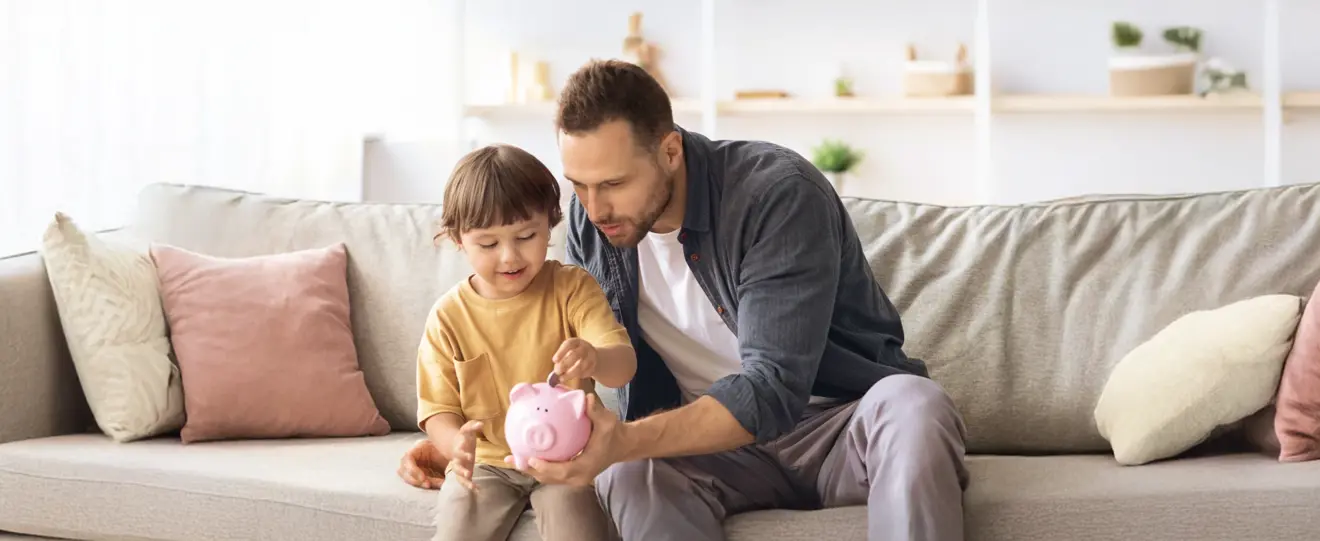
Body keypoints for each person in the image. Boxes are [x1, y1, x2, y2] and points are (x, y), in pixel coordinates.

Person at [400, 59, 970, 541]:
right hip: (717, 449)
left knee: (913, 406)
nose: (594, 210)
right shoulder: (590, 222)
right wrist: (471, 441)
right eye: (579, 185)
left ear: (670, 150)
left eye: (614, 184)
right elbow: (559, 350)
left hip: (839, 427)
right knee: (630, 475)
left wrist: (624, 439)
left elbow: (771, 390)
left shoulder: (775, 195)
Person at [412, 143, 636, 541]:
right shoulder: (448, 316)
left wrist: (594, 359)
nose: (509, 256)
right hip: (487, 463)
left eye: (526, 236)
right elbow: (437, 410)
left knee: (578, 528)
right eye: (488, 244)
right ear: (457, 239)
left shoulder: (571, 289)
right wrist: (455, 445)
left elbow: (623, 367)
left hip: (569, 457)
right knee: (457, 528)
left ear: (550, 224)